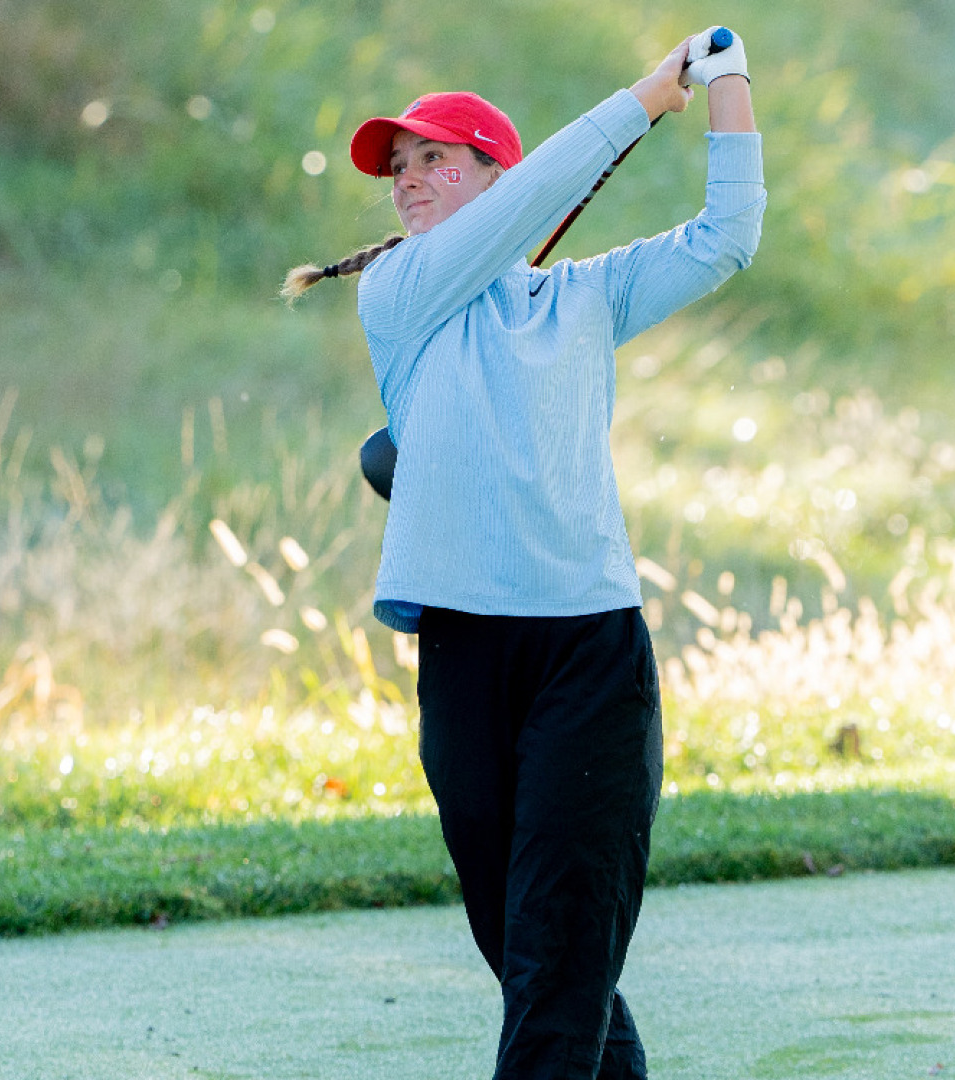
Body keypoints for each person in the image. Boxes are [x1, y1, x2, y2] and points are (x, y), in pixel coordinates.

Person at [284, 28, 761, 1080]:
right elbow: (524, 208)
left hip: (589, 654)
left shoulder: (581, 299)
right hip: (464, 657)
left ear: (492, 172)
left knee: (561, 945)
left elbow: (728, 236)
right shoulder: (397, 297)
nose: (408, 182)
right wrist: (641, 98)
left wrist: (722, 85)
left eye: (435, 159)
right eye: (397, 169)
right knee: (528, 943)